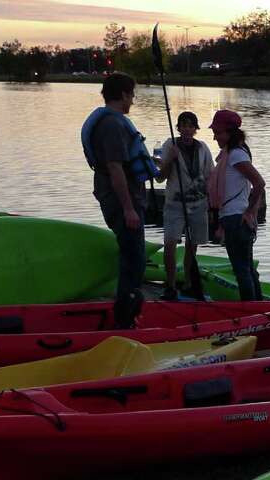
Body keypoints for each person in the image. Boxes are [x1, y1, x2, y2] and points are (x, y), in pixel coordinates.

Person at [80, 71, 159, 326]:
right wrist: (128, 209)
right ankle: (125, 319)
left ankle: (126, 313)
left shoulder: (110, 122)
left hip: (125, 199)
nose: (132, 101)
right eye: (132, 95)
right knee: (133, 260)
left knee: (132, 257)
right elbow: (115, 167)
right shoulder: (113, 125)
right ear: (124, 94)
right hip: (122, 202)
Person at [154, 111, 214, 300]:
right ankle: (170, 285)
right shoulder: (170, 145)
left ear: (195, 129)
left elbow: (210, 175)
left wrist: (212, 205)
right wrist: (170, 159)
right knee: (170, 243)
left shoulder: (203, 147)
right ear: (178, 128)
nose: (187, 129)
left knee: (192, 244)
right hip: (175, 204)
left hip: (198, 204)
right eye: (183, 125)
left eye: (191, 125)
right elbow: (160, 177)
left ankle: (189, 281)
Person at [207, 109, 266, 301]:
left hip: (236, 219)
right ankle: (259, 306)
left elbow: (259, 183)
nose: (215, 137)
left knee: (241, 270)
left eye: (218, 132)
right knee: (247, 268)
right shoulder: (231, 154)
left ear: (230, 132)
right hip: (233, 217)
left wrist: (249, 211)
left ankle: (250, 310)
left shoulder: (235, 155)